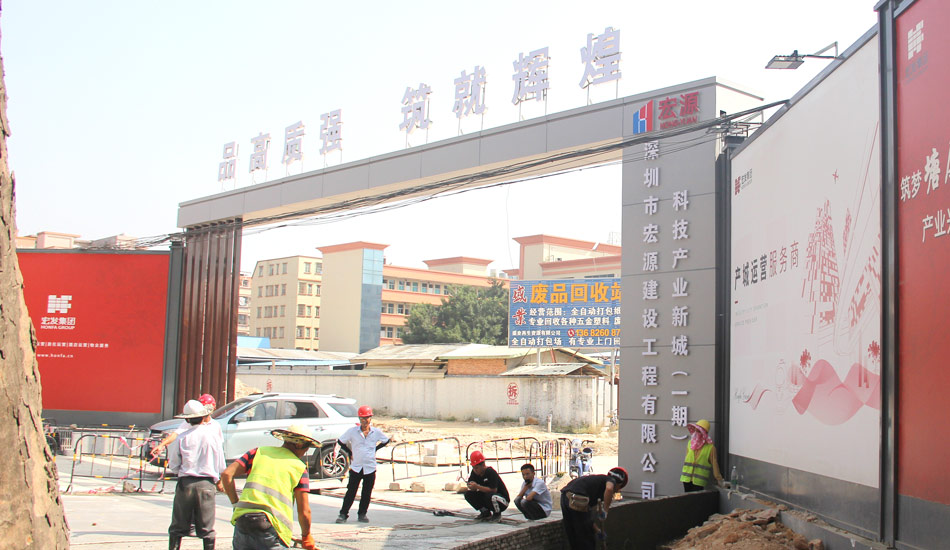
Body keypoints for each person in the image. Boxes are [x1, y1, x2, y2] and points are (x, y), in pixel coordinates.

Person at [220, 424, 318, 550]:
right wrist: (306, 536)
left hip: (243, 520)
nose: (305, 452)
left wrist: (235, 504)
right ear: (299, 445)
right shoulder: (299, 468)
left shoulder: (258, 452)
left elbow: (227, 474)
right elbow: (304, 511)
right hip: (271, 525)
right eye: (307, 448)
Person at [166, 399, 225, 550]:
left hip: (186, 483)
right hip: (207, 484)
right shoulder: (213, 437)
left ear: (187, 419)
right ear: (203, 417)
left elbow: (174, 464)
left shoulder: (182, 438)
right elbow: (220, 464)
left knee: (177, 527)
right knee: (207, 529)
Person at [335, 405, 392, 524]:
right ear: (359, 419)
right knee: (351, 492)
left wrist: (375, 449)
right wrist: (350, 452)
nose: (365, 421)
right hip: (356, 467)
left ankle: (362, 514)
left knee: (366, 493)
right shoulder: (352, 432)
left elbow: (386, 440)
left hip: (370, 467)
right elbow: (341, 441)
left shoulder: (376, 432)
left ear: (370, 418)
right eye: (362, 418)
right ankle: (343, 514)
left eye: (367, 418)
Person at [561, 466, 628, 550]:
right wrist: (605, 510)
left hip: (566, 497)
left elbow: (586, 517)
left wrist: (598, 531)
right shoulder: (611, 480)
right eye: (619, 488)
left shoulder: (595, 485)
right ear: (619, 484)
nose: (617, 491)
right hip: (577, 498)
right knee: (586, 539)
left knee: (575, 537)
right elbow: (609, 489)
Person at [152, 394, 219, 460]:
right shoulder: (188, 423)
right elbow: (175, 434)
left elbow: (218, 448)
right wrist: (161, 445)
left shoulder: (215, 426)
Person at [464, 450, 510, 522]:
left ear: (483, 465)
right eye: (473, 468)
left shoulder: (490, 472)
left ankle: (497, 513)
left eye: (477, 468)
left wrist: (477, 487)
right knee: (468, 494)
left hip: (500, 499)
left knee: (491, 496)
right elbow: (470, 482)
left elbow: (493, 490)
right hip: (486, 498)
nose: (475, 470)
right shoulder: (474, 473)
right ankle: (485, 512)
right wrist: (471, 486)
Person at [680, 419, 723, 492]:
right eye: (696, 430)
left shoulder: (710, 448)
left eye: (699, 431)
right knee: (687, 498)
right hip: (686, 479)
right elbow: (687, 458)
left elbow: (715, 464)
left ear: (705, 433)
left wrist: (719, 479)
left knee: (696, 498)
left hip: (699, 482)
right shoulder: (690, 443)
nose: (697, 433)